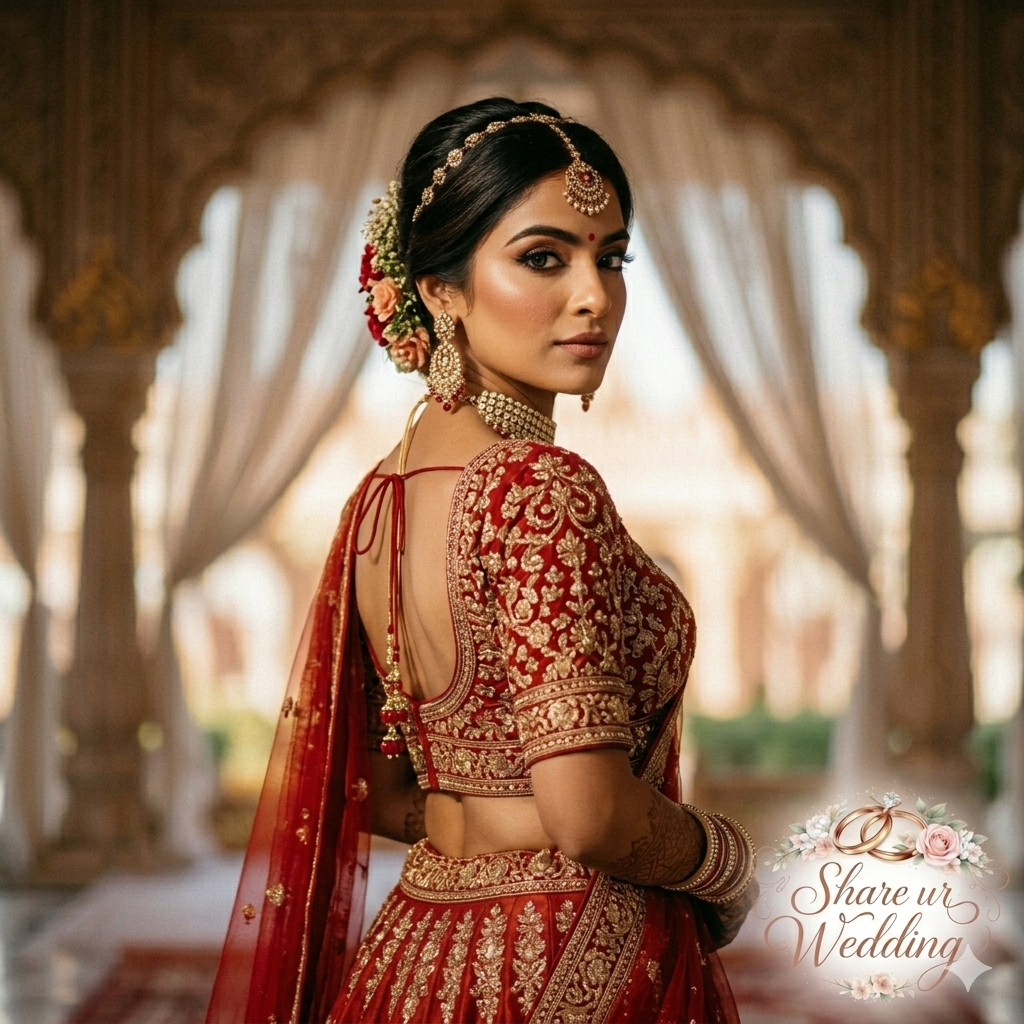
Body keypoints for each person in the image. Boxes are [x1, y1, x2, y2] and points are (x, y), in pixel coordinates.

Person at [206, 97, 757, 1024]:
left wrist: (483, 821)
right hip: (573, 954)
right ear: (439, 290)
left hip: (417, 951)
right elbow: (591, 818)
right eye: (543, 257)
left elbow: (378, 791)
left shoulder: (380, 498)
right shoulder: (542, 488)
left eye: (611, 258)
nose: (594, 295)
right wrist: (725, 864)